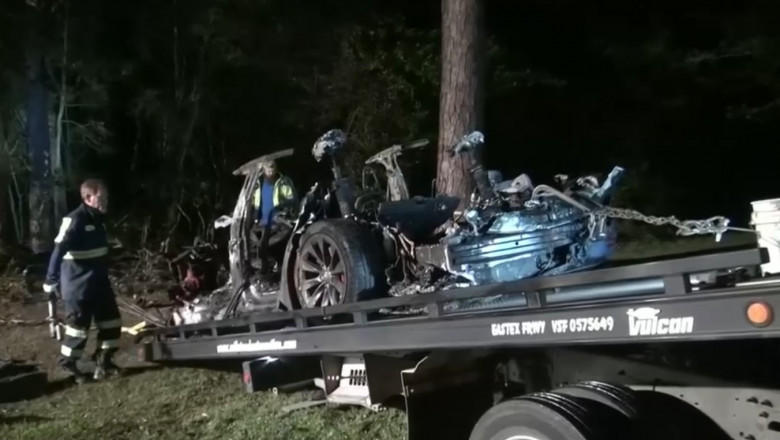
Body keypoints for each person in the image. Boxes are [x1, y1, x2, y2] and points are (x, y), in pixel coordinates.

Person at [43, 179, 121, 383]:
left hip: (100, 284)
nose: (105, 202)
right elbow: (58, 251)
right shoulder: (74, 220)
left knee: (112, 322)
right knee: (78, 330)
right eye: (101, 198)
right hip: (78, 286)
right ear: (88, 198)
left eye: (107, 198)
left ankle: (104, 362)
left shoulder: (99, 219)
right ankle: (69, 366)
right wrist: (50, 280)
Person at [251, 160, 296, 276]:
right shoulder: (258, 183)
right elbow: (254, 200)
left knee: (277, 245)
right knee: (261, 247)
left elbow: (291, 198)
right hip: (262, 221)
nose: (271, 171)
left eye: (273, 168)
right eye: (268, 169)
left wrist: (284, 208)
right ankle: (266, 272)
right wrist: (254, 215)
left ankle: (279, 269)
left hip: (277, 220)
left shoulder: (283, 182)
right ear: (264, 170)